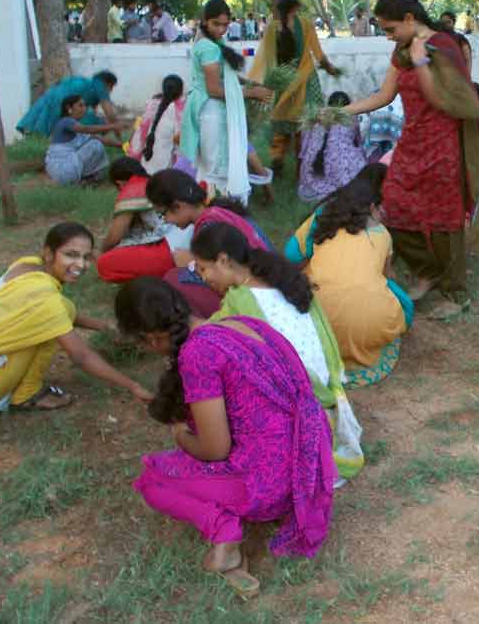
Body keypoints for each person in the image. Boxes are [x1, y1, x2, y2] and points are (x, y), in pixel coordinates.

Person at [116, 279, 334, 595]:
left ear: (150, 338)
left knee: (153, 480)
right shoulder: (242, 324)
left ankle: (225, 534)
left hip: (272, 485)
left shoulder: (198, 354)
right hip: (309, 465)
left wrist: (180, 434)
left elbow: (215, 449)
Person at [343, 0, 479, 318]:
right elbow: (384, 95)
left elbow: (442, 100)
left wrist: (421, 62)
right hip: (412, 140)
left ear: (410, 18)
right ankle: (428, 270)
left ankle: (456, 292)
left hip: (444, 144)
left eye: (391, 29)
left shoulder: (443, 46)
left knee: (446, 218)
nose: (388, 36)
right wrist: (342, 111)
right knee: (392, 202)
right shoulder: (402, 49)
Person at [191, 224, 365, 480]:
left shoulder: (240, 301)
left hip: (306, 401)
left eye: (203, 268)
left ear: (224, 260)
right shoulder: (283, 279)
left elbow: (207, 335)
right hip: (327, 388)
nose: (204, 277)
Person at [0, 222, 154, 417]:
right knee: (52, 326)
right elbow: (81, 356)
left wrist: (105, 327)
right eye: (71, 255)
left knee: (62, 309)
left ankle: (17, 387)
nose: (81, 265)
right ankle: (27, 395)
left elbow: (61, 312)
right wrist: (133, 386)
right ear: (49, 254)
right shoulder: (45, 299)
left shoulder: (29, 265)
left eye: (86, 257)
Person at [287, 179, 412, 387]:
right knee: (401, 300)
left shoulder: (320, 221)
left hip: (316, 324)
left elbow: (290, 258)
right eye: (380, 208)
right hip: (369, 325)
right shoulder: (383, 234)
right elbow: (388, 277)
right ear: (371, 208)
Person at [179, 0, 273, 204]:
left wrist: (249, 83)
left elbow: (224, 75)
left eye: (225, 25)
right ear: (205, 20)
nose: (221, 30)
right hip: (211, 110)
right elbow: (214, 89)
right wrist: (251, 93)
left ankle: (216, 208)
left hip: (208, 109)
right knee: (217, 167)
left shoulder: (212, 43)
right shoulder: (209, 47)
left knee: (211, 165)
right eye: (216, 24)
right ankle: (219, 210)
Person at [147, 169, 273, 317]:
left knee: (173, 279)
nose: (166, 220)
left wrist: (191, 263)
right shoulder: (218, 209)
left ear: (178, 206)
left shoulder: (209, 227)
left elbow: (223, 275)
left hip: (255, 296)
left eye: (163, 214)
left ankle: (205, 325)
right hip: (268, 278)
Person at [248, 0, 341, 173]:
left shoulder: (272, 28)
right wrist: (330, 69)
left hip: (283, 81)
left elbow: (266, 57)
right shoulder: (305, 24)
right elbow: (318, 53)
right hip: (305, 81)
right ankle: (301, 165)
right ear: (296, 7)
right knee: (304, 123)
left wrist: (266, 82)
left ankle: (277, 158)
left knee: (281, 121)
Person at [96, 157, 177, 283]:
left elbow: (115, 236)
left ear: (119, 183)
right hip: (181, 244)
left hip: (167, 251)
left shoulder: (133, 189)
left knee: (104, 263)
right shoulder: (155, 182)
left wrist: (102, 250)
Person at [298, 91, 367, 203]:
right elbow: (359, 141)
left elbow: (304, 147)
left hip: (310, 172)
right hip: (340, 170)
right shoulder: (352, 118)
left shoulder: (316, 117)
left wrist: (305, 160)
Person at [44, 94, 120, 185]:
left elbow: (102, 139)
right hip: (62, 170)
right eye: (80, 105)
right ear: (69, 108)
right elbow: (86, 129)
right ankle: (86, 178)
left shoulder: (76, 127)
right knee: (95, 145)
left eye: (85, 106)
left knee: (97, 142)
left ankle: (85, 179)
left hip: (66, 171)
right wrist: (113, 126)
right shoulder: (66, 121)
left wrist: (124, 145)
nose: (84, 109)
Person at [17, 71, 120, 136]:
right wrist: (117, 132)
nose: (110, 91)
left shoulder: (88, 85)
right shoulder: (99, 85)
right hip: (60, 101)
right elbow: (110, 114)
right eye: (111, 87)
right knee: (95, 125)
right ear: (108, 84)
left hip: (52, 96)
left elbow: (94, 112)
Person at [127, 74, 185, 174]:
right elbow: (181, 142)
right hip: (165, 171)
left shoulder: (152, 104)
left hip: (145, 165)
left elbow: (138, 134)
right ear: (181, 91)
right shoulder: (177, 109)